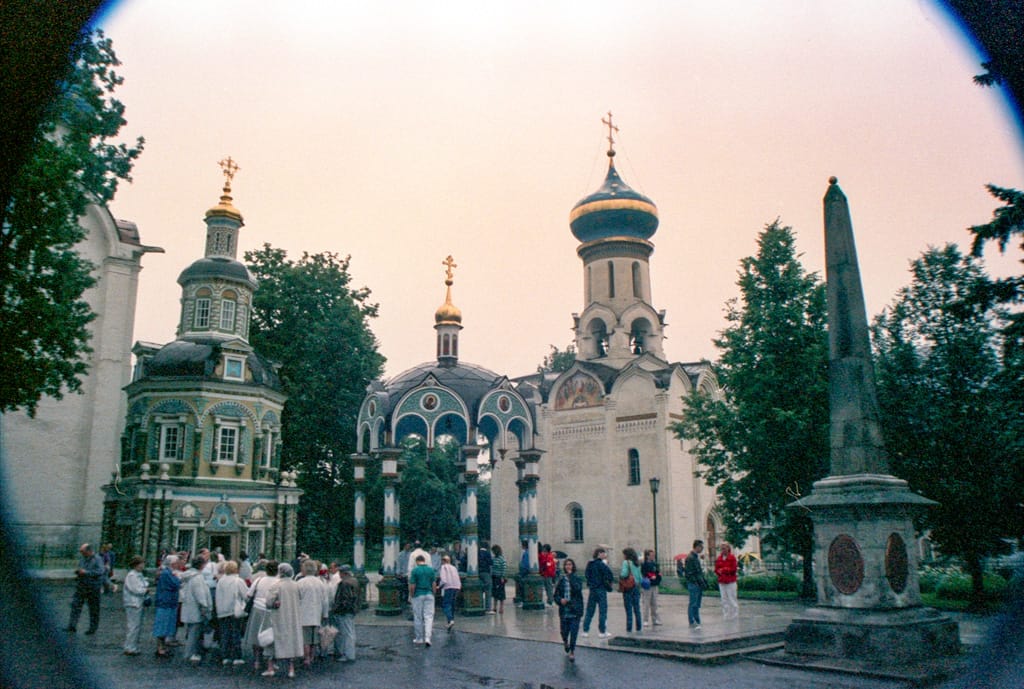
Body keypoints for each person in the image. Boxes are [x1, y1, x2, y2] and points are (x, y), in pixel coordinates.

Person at [264, 562, 303, 678]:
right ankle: (291, 669)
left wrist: (274, 604)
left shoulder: (276, 586)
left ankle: (270, 668)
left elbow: (268, 602)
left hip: (279, 617)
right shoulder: (296, 585)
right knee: (292, 640)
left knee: (273, 641)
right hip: (293, 616)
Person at [243, 559, 277, 672]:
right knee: (271, 637)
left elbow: (248, 594)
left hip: (257, 609)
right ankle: (271, 662)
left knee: (256, 636)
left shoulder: (259, 580)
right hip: (272, 611)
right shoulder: (278, 581)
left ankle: (257, 660)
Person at [66, 543, 105, 634]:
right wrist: (78, 571)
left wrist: (86, 572)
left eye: (83, 552)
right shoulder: (83, 559)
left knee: (93, 608)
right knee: (76, 605)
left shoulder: (97, 559)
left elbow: (100, 571)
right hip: (82, 585)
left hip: (93, 587)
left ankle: (93, 628)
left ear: (89, 551)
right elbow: (80, 568)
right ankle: (72, 625)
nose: (81, 553)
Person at [215, 560, 249, 666]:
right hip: (234, 610)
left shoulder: (221, 581)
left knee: (225, 634)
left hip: (222, 610)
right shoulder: (238, 581)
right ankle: (236, 656)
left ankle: (225, 656)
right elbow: (246, 596)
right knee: (236, 633)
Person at [296, 558, 329, 667]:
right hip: (317, 613)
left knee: (305, 639)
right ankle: (312, 656)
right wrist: (325, 614)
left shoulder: (300, 583)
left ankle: (306, 658)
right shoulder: (320, 583)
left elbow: (296, 599)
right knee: (314, 639)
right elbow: (325, 600)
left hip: (303, 613)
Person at [180, 557, 212, 663]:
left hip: (188, 606)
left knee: (190, 631)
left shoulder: (187, 576)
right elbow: (200, 594)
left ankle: (189, 652)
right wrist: (204, 605)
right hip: (195, 608)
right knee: (195, 632)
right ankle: (190, 653)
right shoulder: (197, 578)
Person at [554, 558, 585, 662]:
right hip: (564, 610)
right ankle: (565, 641)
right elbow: (556, 595)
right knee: (564, 631)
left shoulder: (577, 578)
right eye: (566, 565)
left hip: (574, 609)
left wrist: (570, 577)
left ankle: (572, 651)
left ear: (573, 566)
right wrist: (560, 600)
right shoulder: (561, 579)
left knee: (574, 631)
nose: (568, 566)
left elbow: (578, 589)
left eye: (570, 565)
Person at [152, 554, 181, 658]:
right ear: (173, 563)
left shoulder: (167, 572)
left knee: (166, 625)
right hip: (166, 602)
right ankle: (160, 647)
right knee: (162, 625)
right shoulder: (167, 573)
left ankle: (162, 646)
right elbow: (176, 583)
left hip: (169, 601)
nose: (178, 564)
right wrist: (177, 577)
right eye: (177, 562)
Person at [581, 547, 613, 638]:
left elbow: (587, 575)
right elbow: (609, 575)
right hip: (601, 589)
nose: (605, 555)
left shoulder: (590, 564)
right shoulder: (601, 564)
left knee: (590, 610)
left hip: (592, 589)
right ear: (599, 554)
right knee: (602, 610)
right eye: (603, 553)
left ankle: (585, 630)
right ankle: (602, 631)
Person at [330, 564, 360, 662]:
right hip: (352, 610)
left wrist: (336, 609)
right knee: (350, 632)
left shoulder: (344, 583)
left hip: (344, 611)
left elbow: (344, 600)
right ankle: (350, 653)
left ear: (343, 573)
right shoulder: (354, 581)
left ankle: (348, 655)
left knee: (346, 633)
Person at [408, 554, 437, 647]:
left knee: (418, 616)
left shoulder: (415, 570)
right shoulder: (431, 570)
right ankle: (428, 638)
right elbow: (433, 583)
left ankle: (419, 638)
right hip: (429, 594)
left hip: (418, 594)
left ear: (417, 561)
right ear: (424, 560)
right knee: (428, 617)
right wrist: (434, 593)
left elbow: (412, 585)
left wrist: (412, 595)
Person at [121, 555, 148, 655]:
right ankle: (129, 647)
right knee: (133, 626)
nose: (143, 565)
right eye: (142, 563)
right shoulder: (132, 575)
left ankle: (133, 646)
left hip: (137, 602)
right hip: (133, 603)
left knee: (136, 626)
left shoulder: (138, 574)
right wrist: (145, 590)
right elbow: (136, 589)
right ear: (137, 564)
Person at [684, 539, 708, 628]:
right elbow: (689, 573)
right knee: (693, 603)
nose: (702, 549)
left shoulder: (695, 557)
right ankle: (692, 620)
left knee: (697, 604)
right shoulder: (690, 558)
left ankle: (697, 620)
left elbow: (699, 572)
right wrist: (696, 581)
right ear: (697, 547)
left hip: (697, 583)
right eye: (701, 547)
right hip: (694, 584)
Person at [619, 547, 643, 633]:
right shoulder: (637, 563)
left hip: (628, 587)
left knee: (628, 609)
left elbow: (624, 573)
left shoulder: (626, 562)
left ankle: (629, 628)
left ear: (626, 555)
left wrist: (621, 575)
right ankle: (639, 627)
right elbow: (640, 578)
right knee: (637, 608)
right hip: (636, 587)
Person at [715, 542, 739, 620]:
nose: (723, 550)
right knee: (724, 598)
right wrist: (719, 571)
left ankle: (734, 614)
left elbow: (734, 569)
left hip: (730, 581)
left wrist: (724, 570)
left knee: (732, 597)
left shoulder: (732, 558)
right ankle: (726, 614)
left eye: (724, 548)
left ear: (728, 549)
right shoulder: (719, 558)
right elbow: (716, 569)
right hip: (722, 581)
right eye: (721, 549)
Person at [438, 554, 461, 631]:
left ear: (443, 561)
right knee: (452, 604)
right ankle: (451, 620)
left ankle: (450, 620)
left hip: (448, 587)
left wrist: (439, 586)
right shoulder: (454, 568)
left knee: (446, 604)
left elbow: (444, 580)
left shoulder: (443, 567)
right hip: (456, 587)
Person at [640, 549, 663, 627]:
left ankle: (655, 619)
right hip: (647, 585)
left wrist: (658, 577)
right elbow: (644, 574)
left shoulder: (655, 564)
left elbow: (658, 573)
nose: (653, 556)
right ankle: (645, 620)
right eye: (651, 555)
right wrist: (650, 576)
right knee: (646, 603)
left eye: (654, 555)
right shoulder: (644, 564)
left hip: (655, 585)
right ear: (647, 556)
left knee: (655, 603)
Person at [490, 544, 507, 614]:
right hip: (494, 577)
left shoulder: (501, 559)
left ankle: (500, 607)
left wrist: (503, 577)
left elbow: (503, 568)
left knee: (500, 593)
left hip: (499, 577)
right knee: (495, 593)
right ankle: (495, 607)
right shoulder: (494, 558)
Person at [478, 540, 493, 613]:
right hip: (485, 572)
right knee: (488, 589)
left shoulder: (477, 553)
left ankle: (478, 604)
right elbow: (490, 562)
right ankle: (488, 608)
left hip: (477, 573)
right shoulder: (487, 553)